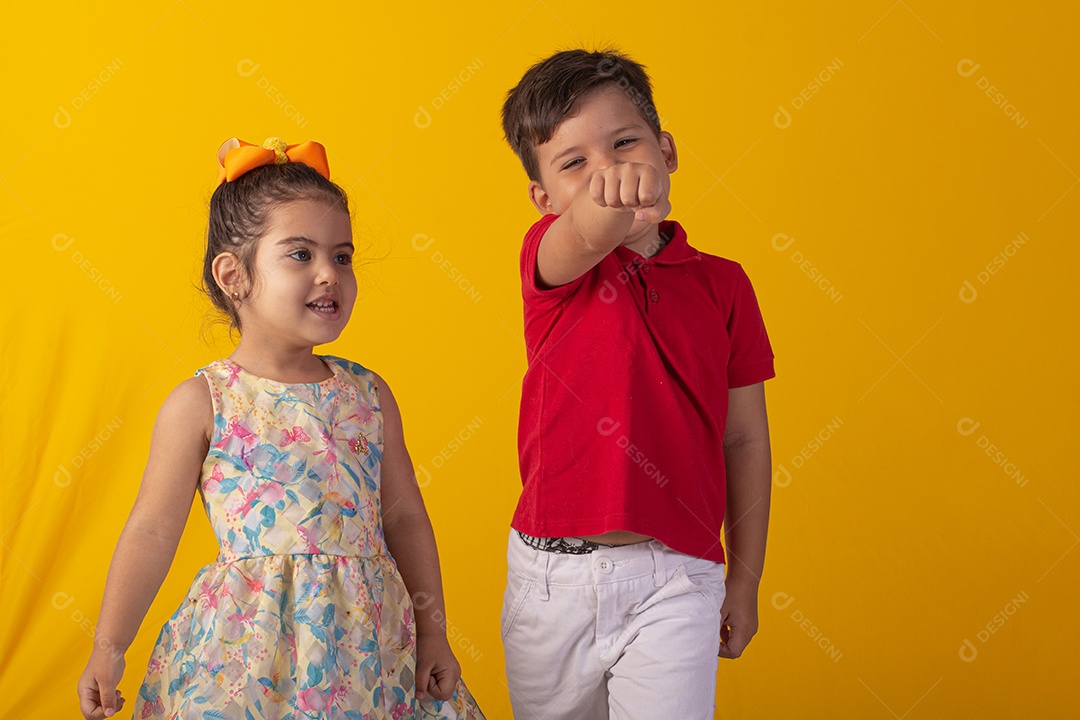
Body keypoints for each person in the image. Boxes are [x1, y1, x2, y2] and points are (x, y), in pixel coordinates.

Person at [76, 137, 485, 720]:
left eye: (342, 257)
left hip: (369, 651)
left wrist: (435, 633)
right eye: (300, 255)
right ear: (233, 275)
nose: (329, 274)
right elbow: (150, 531)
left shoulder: (368, 395)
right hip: (248, 656)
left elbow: (405, 519)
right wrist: (108, 648)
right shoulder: (203, 402)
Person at [499, 49, 776, 718]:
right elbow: (590, 226)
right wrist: (607, 205)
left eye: (625, 144)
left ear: (668, 151)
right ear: (543, 200)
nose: (608, 172)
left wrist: (745, 580)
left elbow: (745, 442)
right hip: (548, 579)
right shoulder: (553, 264)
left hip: (676, 577)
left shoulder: (724, 285)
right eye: (574, 164)